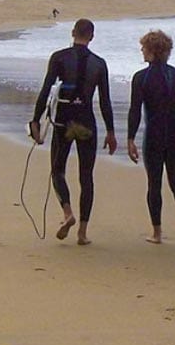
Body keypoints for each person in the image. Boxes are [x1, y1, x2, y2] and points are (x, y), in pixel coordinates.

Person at [29, 18, 117, 245]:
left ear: (72, 32)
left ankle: (68, 213)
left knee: (58, 171)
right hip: (86, 122)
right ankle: (83, 233)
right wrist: (110, 131)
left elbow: (46, 89)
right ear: (92, 36)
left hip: (63, 122)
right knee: (86, 177)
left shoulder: (59, 58)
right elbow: (105, 101)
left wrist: (35, 121)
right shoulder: (99, 63)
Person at [127, 30, 175, 247]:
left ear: (152, 51)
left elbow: (135, 111)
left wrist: (130, 138)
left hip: (154, 137)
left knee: (154, 184)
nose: (141, 51)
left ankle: (156, 233)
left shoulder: (141, 78)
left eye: (144, 48)